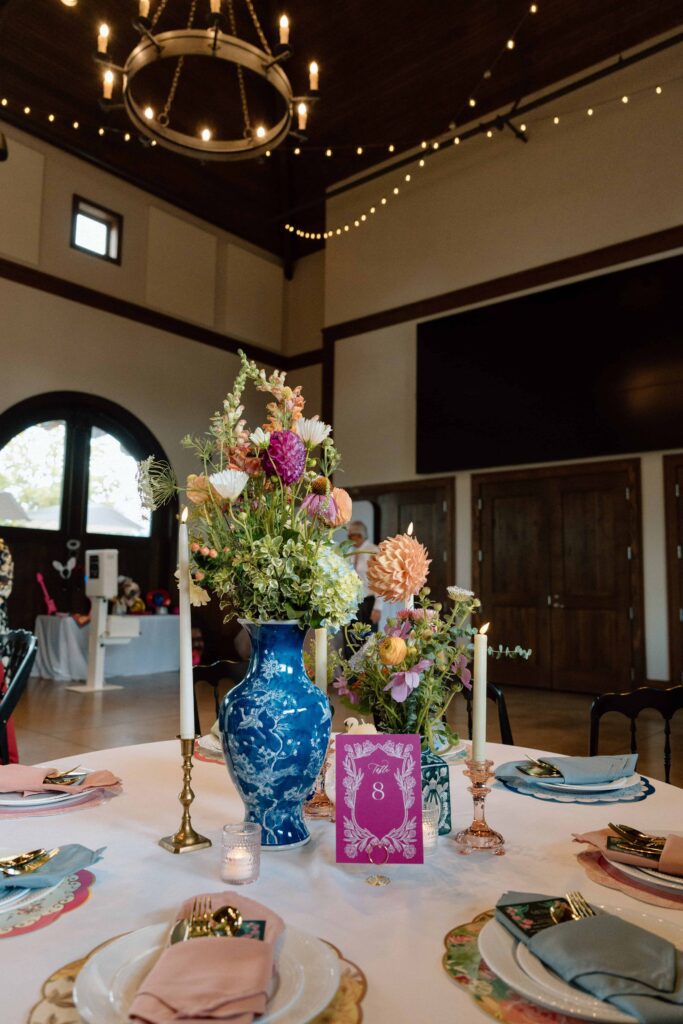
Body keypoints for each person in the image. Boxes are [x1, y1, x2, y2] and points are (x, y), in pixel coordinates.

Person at [347, 521, 383, 631]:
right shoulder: (350, 551)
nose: (349, 538)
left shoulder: (374, 551)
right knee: (350, 637)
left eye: (351, 535)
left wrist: (377, 608)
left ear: (359, 535)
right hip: (352, 603)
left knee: (368, 638)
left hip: (368, 603)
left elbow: (380, 581)